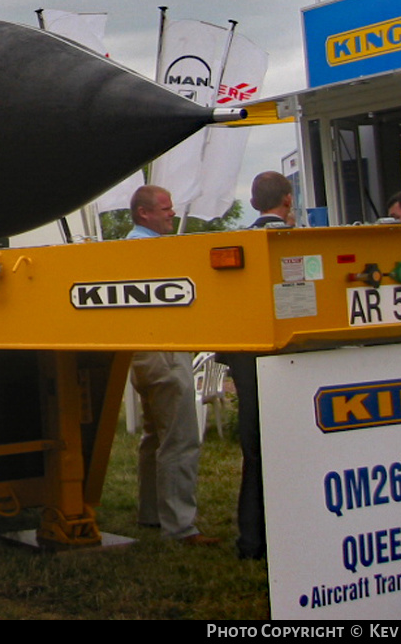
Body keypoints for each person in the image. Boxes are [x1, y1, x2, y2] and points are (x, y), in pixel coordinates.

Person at [126, 185, 218, 546]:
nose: (172, 213)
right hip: (165, 351)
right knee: (179, 439)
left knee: (154, 436)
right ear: (144, 213)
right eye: (165, 208)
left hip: (142, 354)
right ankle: (180, 527)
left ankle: (151, 513)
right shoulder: (152, 250)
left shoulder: (128, 247)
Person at [217, 170, 294, 561]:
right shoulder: (292, 243)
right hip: (291, 366)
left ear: (252, 204)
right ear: (288, 200)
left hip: (248, 370)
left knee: (255, 456)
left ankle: (252, 542)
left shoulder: (237, 245)